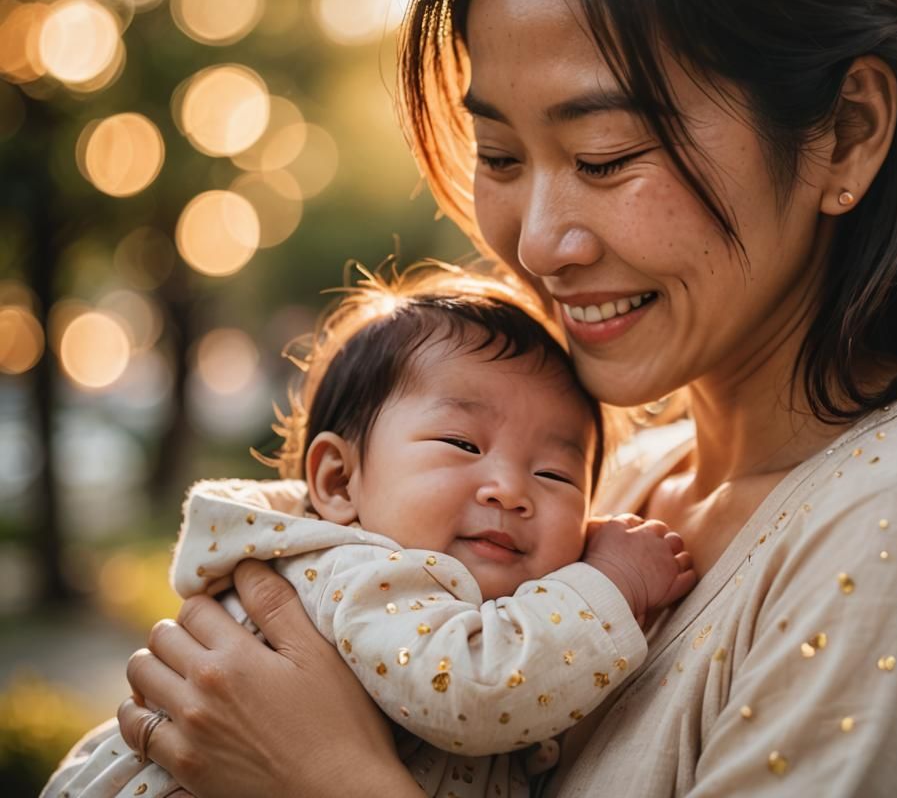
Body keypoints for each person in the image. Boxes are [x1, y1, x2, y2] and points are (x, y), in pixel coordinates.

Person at [117, 0, 897, 795]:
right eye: (502, 156)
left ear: (847, 132)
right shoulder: (618, 483)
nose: (539, 241)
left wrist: (326, 779)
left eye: (606, 156)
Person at [44, 267, 694, 798]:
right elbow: (471, 690)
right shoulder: (357, 573)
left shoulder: (473, 605)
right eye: (461, 442)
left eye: (555, 473)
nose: (511, 489)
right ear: (337, 482)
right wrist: (611, 584)